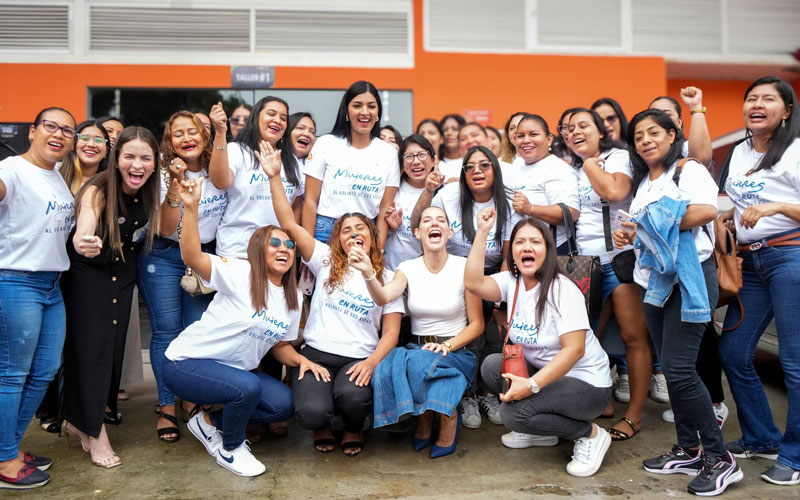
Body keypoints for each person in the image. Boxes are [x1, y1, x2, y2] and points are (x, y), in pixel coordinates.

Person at [161, 175, 328, 477]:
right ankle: (231, 448)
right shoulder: (240, 271)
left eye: (290, 245)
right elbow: (192, 256)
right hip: (187, 364)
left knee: (283, 405)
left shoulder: (292, 300)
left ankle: (209, 423)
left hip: (235, 374)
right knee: (248, 386)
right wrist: (191, 207)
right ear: (259, 249)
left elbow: (279, 346)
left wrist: (302, 360)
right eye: (274, 243)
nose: (284, 248)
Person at [615, 109, 742, 496]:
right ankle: (688, 448)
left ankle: (720, 459)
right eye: (638, 136)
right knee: (671, 370)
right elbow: (650, 229)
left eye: (654, 132)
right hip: (654, 281)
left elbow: (706, 211)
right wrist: (633, 234)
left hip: (689, 276)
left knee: (681, 370)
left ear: (673, 135)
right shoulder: (646, 181)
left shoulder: (688, 170)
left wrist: (651, 224)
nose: (646, 140)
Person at [265, 139, 404, 457]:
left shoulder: (389, 275)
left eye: (361, 228)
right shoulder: (324, 258)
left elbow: (392, 333)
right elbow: (289, 223)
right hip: (317, 354)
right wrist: (274, 177)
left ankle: (354, 428)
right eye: (346, 230)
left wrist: (371, 362)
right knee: (312, 412)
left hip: (359, 356)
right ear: (338, 240)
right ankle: (323, 426)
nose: (354, 232)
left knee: (353, 400)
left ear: (371, 235)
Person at [466, 212, 613, 477]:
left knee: (513, 415)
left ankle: (590, 435)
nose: (527, 247)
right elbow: (473, 283)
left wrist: (531, 385)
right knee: (491, 366)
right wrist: (482, 232)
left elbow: (575, 349)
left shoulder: (562, 290)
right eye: (520, 242)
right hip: (550, 377)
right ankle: (543, 433)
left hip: (587, 385)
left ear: (547, 250)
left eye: (535, 241)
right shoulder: (513, 282)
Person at [61, 126, 160, 470]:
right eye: (129, 156)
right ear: (116, 158)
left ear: (154, 162)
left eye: (145, 158)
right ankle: (95, 431)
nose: (137, 165)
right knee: (92, 353)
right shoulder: (99, 188)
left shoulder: (151, 190)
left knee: (112, 351)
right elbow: (85, 225)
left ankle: (78, 421)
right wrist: (82, 240)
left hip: (123, 276)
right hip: (90, 276)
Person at [351, 205, 484, 457]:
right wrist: (369, 274)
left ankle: (444, 417)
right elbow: (383, 297)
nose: (434, 224)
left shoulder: (464, 267)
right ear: (417, 233)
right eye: (427, 221)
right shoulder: (407, 268)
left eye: (441, 220)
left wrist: (447, 346)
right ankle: (432, 412)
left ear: (449, 231)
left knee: (416, 361)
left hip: (455, 350)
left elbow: (477, 324)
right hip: (419, 348)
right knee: (401, 360)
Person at [719, 76, 800, 487]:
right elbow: (739, 201)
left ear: (786, 111)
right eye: (751, 97)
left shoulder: (798, 150)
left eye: (769, 99)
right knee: (733, 352)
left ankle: (795, 455)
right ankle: (762, 437)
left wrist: (777, 207)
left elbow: (776, 206)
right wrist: (729, 217)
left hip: (790, 256)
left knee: (794, 362)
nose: (757, 103)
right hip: (749, 262)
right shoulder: (739, 151)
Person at [136, 111, 228, 442]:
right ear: (169, 141)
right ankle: (166, 406)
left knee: (196, 331)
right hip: (163, 256)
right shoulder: (161, 175)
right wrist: (175, 185)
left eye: (193, 132)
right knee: (166, 332)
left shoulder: (217, 172)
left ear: (204, 137)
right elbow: (162, 226)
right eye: (178, 134)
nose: (187, 138)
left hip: (202, 258)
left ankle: (189, 396)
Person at [411, 145, 517, 430]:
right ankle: (467, 395)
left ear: (496, 169)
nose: (477, 172)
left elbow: (508, 257)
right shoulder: (449, 196)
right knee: (468, 335)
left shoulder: (506, 202)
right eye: (470, 167)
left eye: (484, 165)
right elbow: (419, 225)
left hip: (495, 274)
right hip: (455, 271)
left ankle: (487, 393)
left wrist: (498, 305)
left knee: (496, 337)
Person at [0, 107, 76, 489]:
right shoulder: (11, 169)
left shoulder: (57, 175)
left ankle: (8, 445)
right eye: (51, 126)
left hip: (51, 286)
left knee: (44, 371)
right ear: (32, 131)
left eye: (68, 130)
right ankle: (4, 460)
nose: (59, 134)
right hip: (16, 281)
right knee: (12, 374)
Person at [565, 107, 650, 442]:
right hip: (584, 265)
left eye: (583, 126)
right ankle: (600, 401)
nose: (575, 132)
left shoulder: (618, 158)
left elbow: (615, 192)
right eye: (569, 129)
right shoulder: (569, 168)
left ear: (601, 131)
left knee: (633, 338)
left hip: (620, 260)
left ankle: (635, 415)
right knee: (585, 340)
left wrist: (589, 163)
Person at [303, 81, 400, 248]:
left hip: (366, 232)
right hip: (325, 231)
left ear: (378, 113)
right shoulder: (326, 143)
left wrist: (379, 251)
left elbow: (385, 209)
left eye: (371, 106)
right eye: (357, 105)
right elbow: (311, 200)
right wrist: (307, 249)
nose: (364, 112)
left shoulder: (388, 153)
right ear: (346, 111)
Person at [208, 97, 301, 258]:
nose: (277, 120)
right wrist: (220, 133)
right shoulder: (237, 150)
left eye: (283, 118)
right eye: (271, 114)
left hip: (277, 254)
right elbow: (220, 182)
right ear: (256, 118)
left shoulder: (291, 160)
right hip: (237, 250)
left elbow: (297, 205)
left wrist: (291, 242)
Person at [506, 113, 579, 255]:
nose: (526, 140)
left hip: (552, 252)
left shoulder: (558, 168)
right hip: (522, 251)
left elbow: (571, 213)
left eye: (533, 134)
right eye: (520, 136)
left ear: (549, 139)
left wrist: (530, 208)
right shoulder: (515, 167)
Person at [383, 135, 436, 271]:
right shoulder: (392, 189)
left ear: (433, 160)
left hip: (426, 273)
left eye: (422, 155)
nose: (416, 161)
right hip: (390, 270)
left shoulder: (443, 193)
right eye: (409, 157)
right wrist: (390, 228)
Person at [649, 87, 712, 167]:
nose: (662, 119)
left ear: (679, 123)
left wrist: (696, 107)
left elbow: (700, 160)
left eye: (667, 114)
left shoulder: (686, 148)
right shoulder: (642, 149)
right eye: (654, 115)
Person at [59, 120, 110, 194]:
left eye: (98, 140)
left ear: (106, 151)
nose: (91, 144)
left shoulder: (113, 183)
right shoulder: (55, 174)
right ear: (73, 144)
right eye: (84, 138)